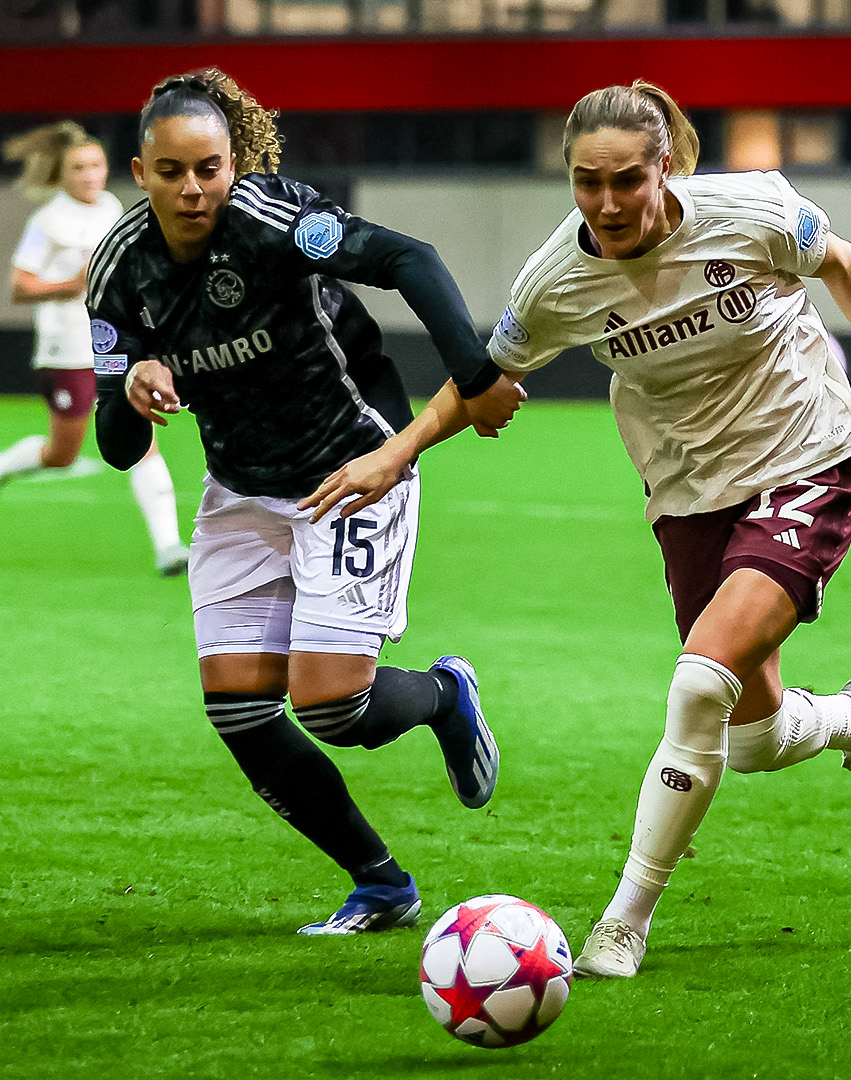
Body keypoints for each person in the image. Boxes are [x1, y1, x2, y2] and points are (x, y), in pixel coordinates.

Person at [483, 81, 851, 977]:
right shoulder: (558, 276)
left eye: (628, 178)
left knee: (697, 685)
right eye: (588, 182)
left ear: (665, 165)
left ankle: (624, 920)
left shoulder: (753, 210)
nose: (609, 201)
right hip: (693, 491)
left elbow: (842, 265)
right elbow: (491, 371)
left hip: (807, 455)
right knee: (751, 738)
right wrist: (402, 449)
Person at [87, 69, 527, 934]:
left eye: (209, 167)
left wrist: (475, 381)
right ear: (139, 173)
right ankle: (382, 884)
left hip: (350, 465)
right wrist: (129, 387)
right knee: (238, 710)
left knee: (333, 709)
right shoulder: (118, 272)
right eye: (172, 171)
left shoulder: (273, 219)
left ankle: (443, 695)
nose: (193, 189)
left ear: (232, 164)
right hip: (242, 490)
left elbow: (411, 260)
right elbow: (118, 448)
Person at [0, 120, 191, 577]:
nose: (89, 175)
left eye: (95, 166)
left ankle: (169, 547)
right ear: (63, 174)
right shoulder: (48, 221)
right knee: (61, 454)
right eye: (78, 168)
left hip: (115, 347)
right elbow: (20, 286)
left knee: (144, 440)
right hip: (64, 348)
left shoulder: (111, 207)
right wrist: (73, 284)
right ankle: (1, 468)